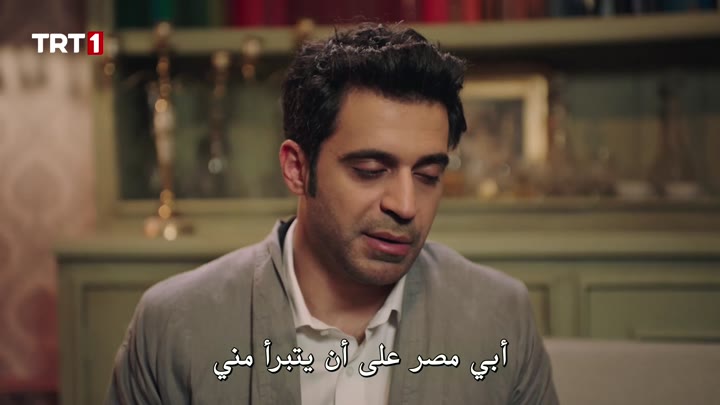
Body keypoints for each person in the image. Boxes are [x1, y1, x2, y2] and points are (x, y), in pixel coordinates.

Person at [106, 23, 558, 405]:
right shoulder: (174, 327)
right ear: (297, 169)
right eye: (370, 170)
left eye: (428, 175)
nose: (405, 205)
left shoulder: (500, 319)